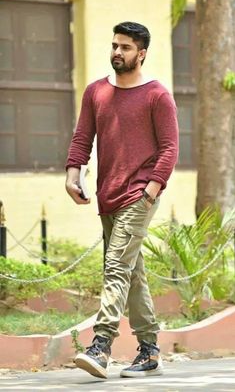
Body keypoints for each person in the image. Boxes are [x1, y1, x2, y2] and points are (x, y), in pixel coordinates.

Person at [65, 21, 179, 379]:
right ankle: (149, 350)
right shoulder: (96, 92)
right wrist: (73, 174)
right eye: (115, 45)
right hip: (108, 194)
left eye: (126, 47)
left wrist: (151, 190)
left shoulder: (156, 95)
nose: (117, 52)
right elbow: (83, 137)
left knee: (115, 266)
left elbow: (170, 149)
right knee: (131, 273)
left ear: (141, 53)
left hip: (139, 194)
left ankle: (101, 346)